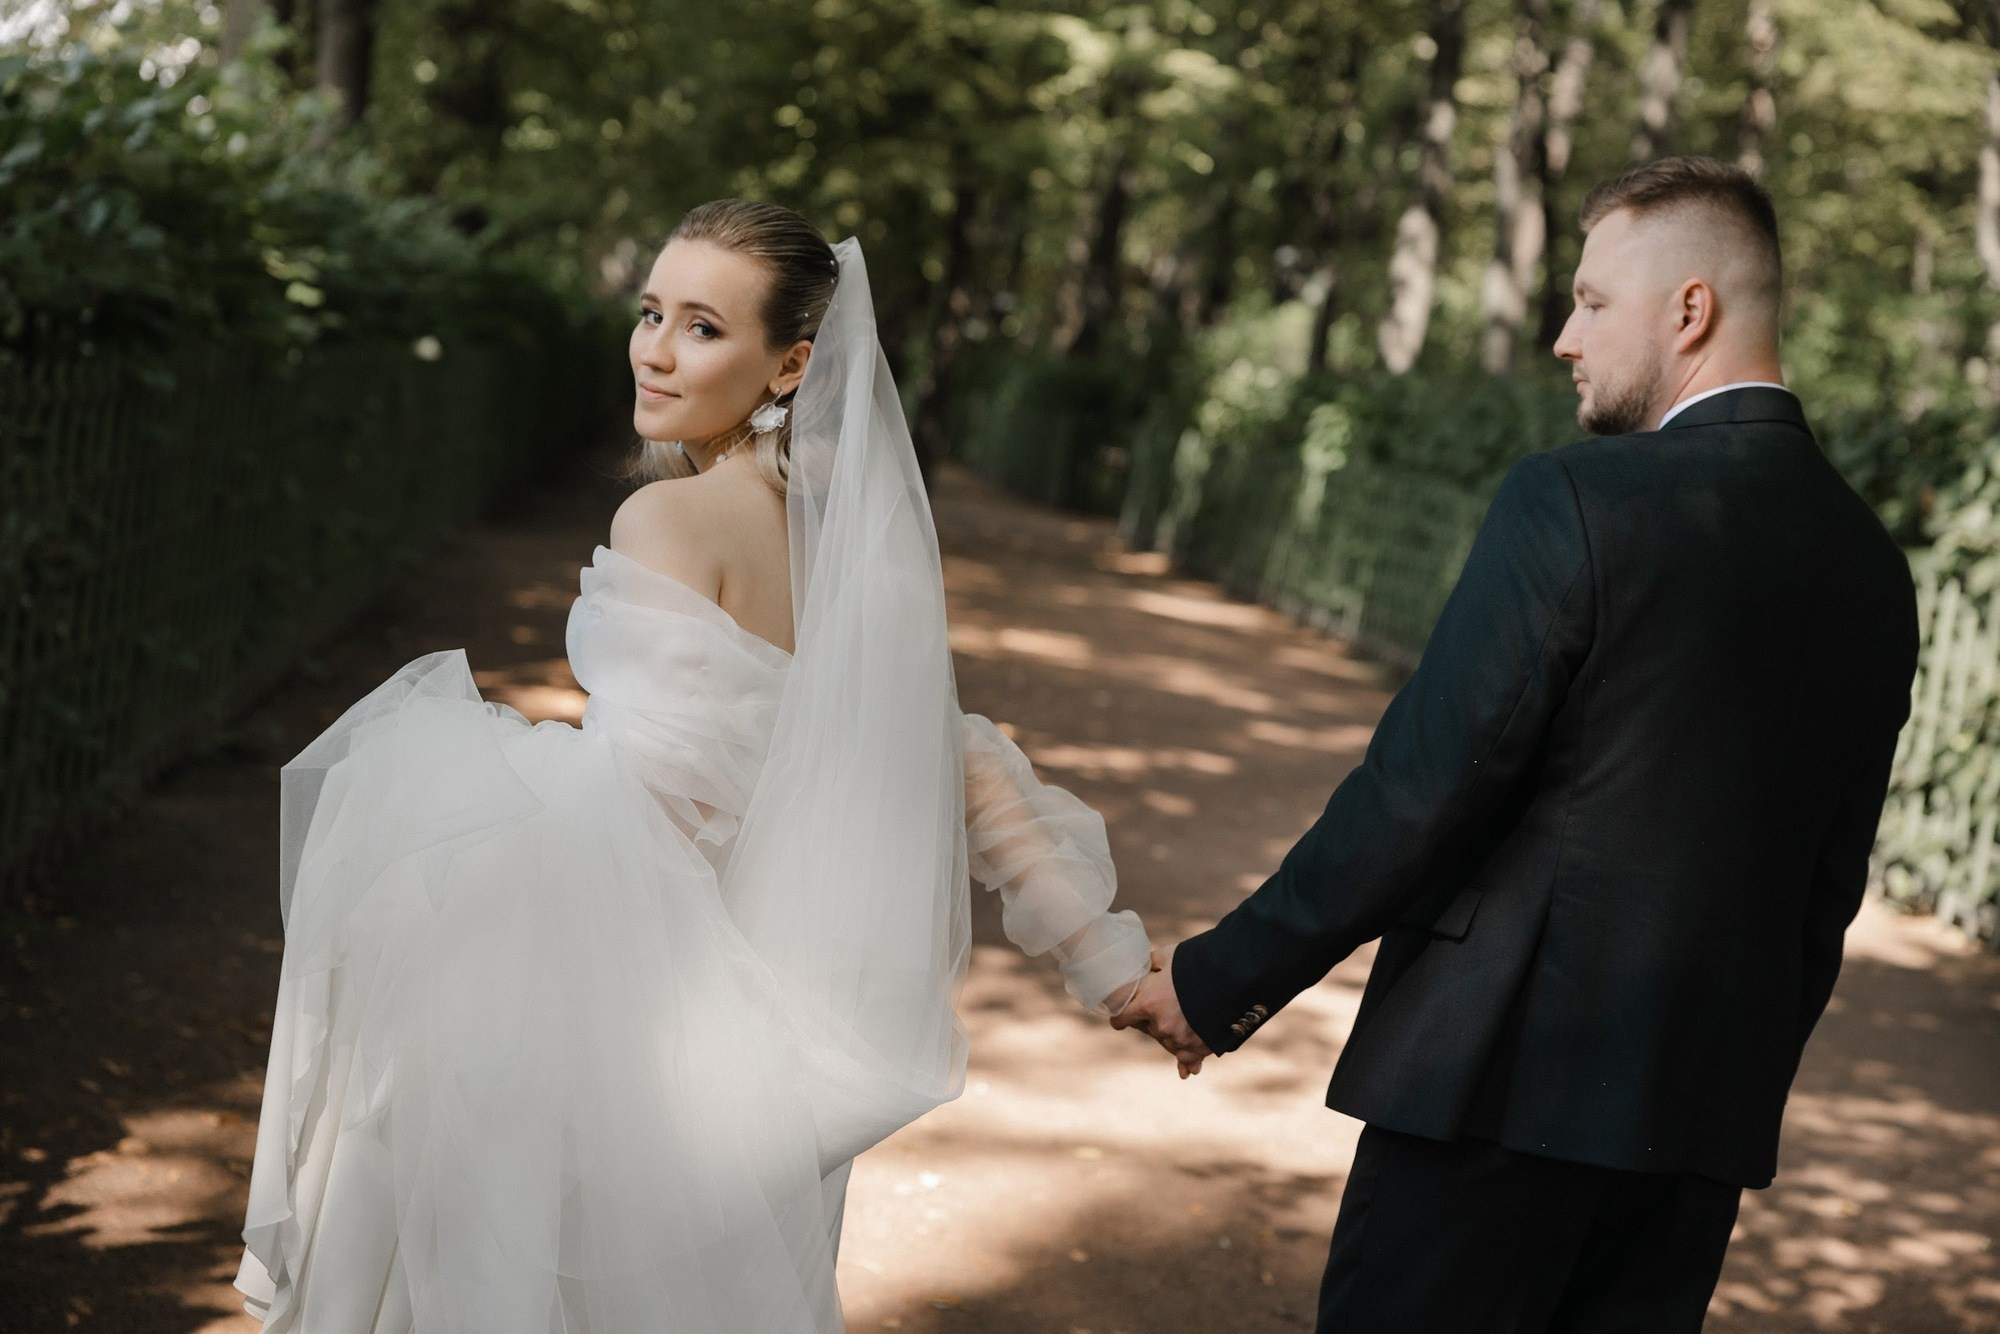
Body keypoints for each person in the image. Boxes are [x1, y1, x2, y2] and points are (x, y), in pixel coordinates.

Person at [233, 199, 1152, 1333]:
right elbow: (960, 768)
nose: (656, 348)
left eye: (703, 326)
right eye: (651, 310)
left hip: (626, 1018)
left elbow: (645, 812)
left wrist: (442, 811)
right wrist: (1108, 960)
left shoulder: (667, 521)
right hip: (760, 1046)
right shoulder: (855, 559)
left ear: (789, 365)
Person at [1115, 156, 1920, 1331]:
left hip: (1492, 1096)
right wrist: (1721, 1082)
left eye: (1592, 302)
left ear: (1688, 310)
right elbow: (1822, 891)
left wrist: (1217, 978)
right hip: (1694, 1129)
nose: (1561, 335)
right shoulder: (1869, 566)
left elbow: (1420, 791)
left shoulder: (1575, 498)